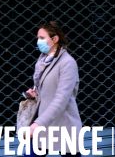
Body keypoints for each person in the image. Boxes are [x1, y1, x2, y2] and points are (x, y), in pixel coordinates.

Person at [24, 21, 82, 156]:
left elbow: (61, 99)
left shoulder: (67, 63)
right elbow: (47, 88)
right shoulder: (42, 61)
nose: (38, 41)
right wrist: (35, 94)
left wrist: (38, 123)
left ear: (55, 39)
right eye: (38, 38)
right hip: (45, 123)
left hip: (63, 124)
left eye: (42, 38)